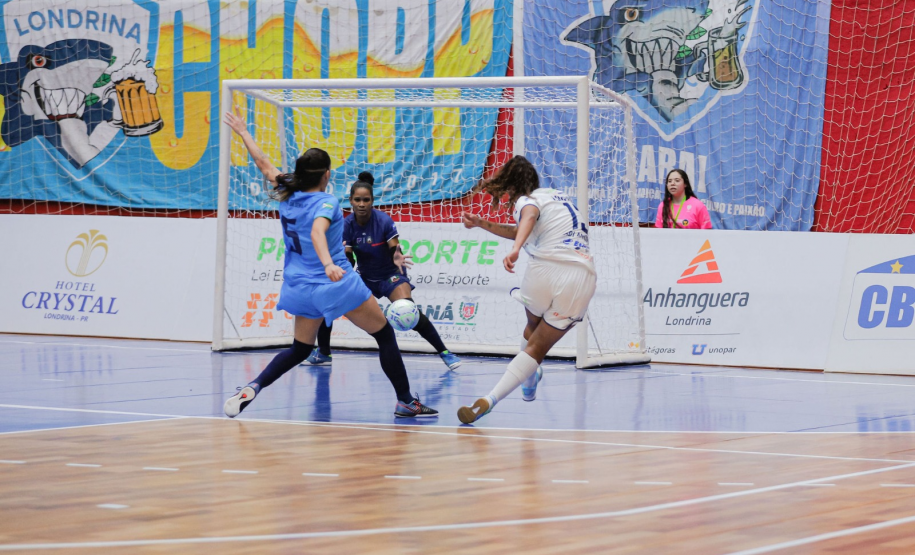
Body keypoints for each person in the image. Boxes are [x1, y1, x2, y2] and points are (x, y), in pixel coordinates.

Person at [221, 106, 437, 419]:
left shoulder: (287, 191)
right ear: (326, 175)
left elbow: (264, 165)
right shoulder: (326, 201)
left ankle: (254, 386)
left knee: (300, 349)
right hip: (335, 284)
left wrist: (243, 132)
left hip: (298, 287)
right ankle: (405, 400)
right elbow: (317, 231)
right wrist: (327, 264)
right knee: (384, 334)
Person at [457, 155, 597, 424]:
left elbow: (528, 216)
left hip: (545, 269)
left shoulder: (527, 199)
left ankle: (528, 376)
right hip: (582, 276)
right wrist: (481, 223)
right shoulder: (557, 197)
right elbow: (523, 226)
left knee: (532, 327)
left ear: (512, 183)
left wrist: (516, 249)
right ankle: (494, 397)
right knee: (537, 347)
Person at [305, 172, 462, 370]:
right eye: (357, 200)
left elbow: (394, 248)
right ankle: (324, 352)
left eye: (366, 200)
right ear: (351, 201)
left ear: (372, 201)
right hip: (365, 277)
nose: (362, 204)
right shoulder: (346, 225)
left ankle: (445, 352)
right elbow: (349, 258)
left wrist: (396, 255)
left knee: (409, 310)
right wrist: (343, 270)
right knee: (328, 303)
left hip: (390, 274)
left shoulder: (384, 221)